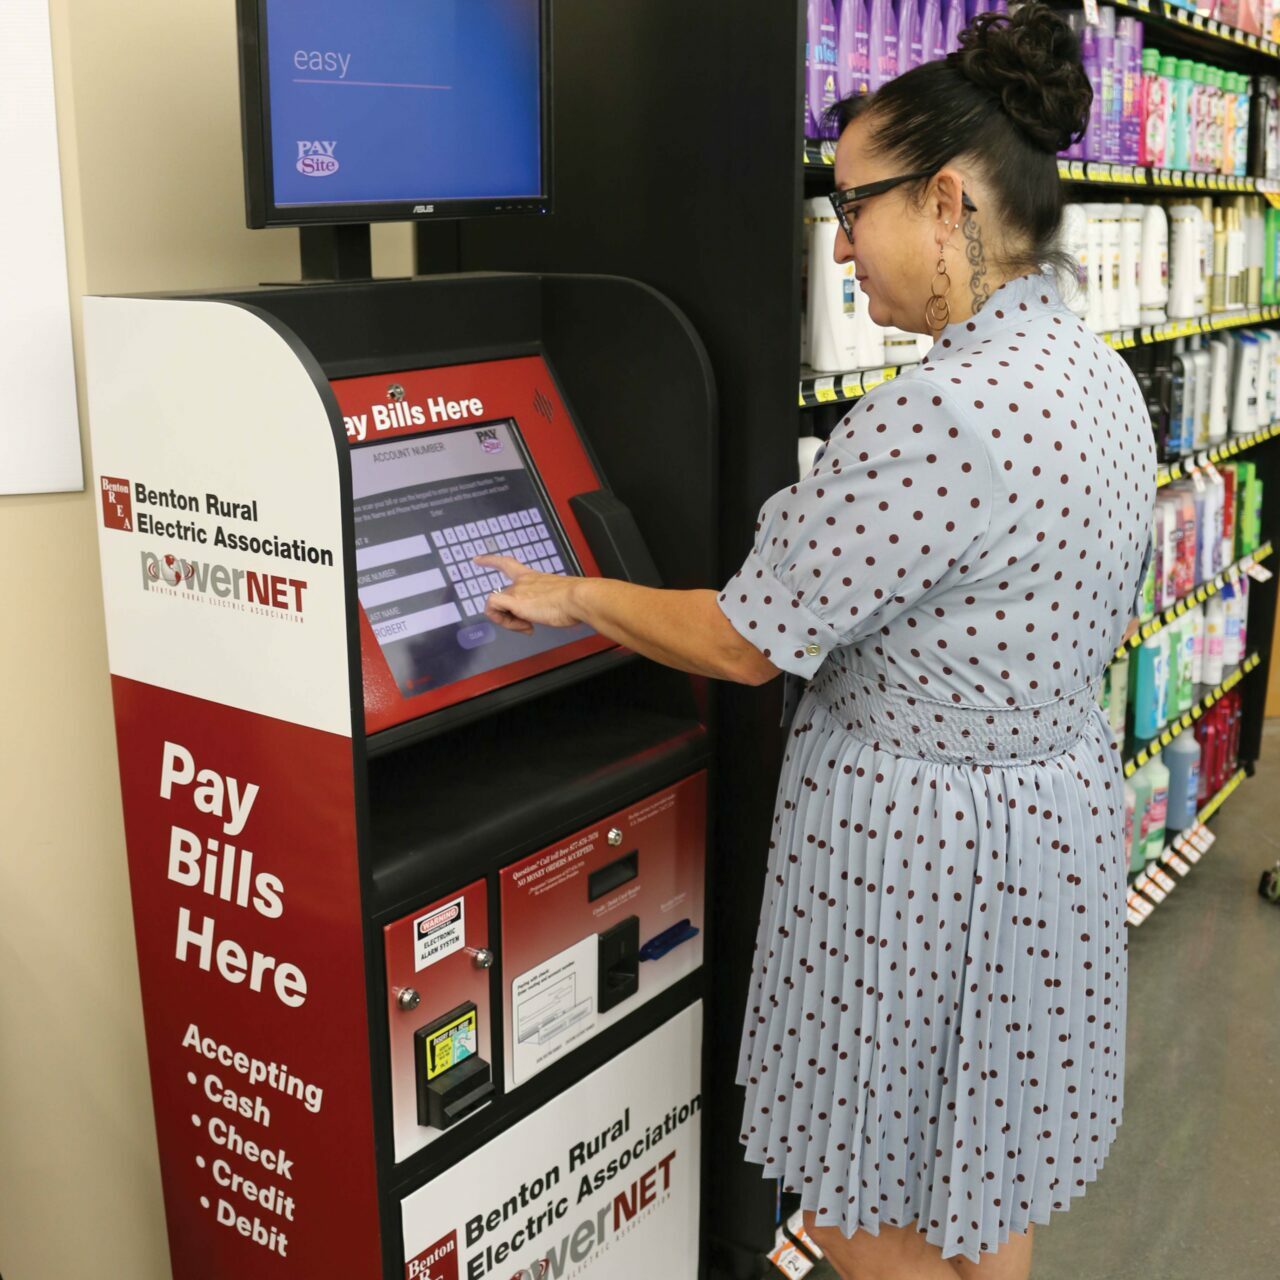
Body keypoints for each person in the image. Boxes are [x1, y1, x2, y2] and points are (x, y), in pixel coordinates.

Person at [476, 5, 1155, 1276]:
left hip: (914, 858)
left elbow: (742, 640)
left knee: (852, 1203)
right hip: (1039, 826)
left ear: (945, 202)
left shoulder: (939, 416)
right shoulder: (1085, 367)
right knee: (976, 1168)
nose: (840, 248)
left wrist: (572, 596)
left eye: (852, 208)